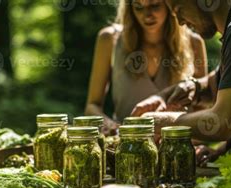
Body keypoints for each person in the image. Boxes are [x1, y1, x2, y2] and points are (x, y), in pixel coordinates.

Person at [132, 0, 231, 157]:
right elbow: (218, 85)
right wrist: (182, 90)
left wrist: (152, 121)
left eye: (179, 10)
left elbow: (222, 122)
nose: (180, 22)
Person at [84, 0, 208, 135]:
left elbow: (202, 110)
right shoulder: (109, 39)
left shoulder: (194, 43)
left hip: (176, 146)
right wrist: (111, 127)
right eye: (138, 7)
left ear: (170, 5)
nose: (147, 15)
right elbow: (92, 106)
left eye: (155, 6)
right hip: (126, 145)